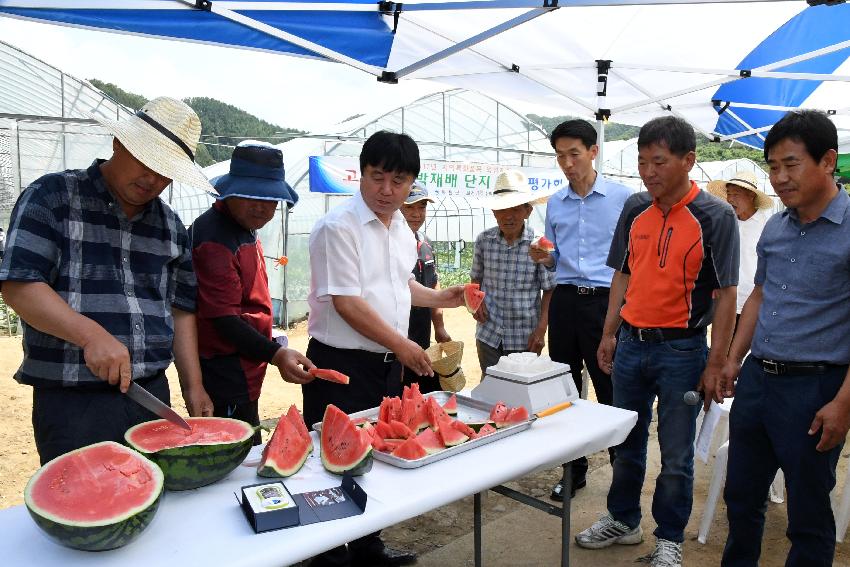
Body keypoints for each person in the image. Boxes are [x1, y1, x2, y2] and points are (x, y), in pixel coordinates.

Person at [0, 96, 215, 465]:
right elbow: (19, 285)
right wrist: (90, 334)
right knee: (85, 514)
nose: (152, 179)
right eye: (145, 161)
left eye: (165, 171)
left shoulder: (171, 227)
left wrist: (193, 386)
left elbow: (180, 311)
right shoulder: (52, 197)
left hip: (152, 394)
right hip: (74, 402)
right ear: (118, 143)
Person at [575, 116, 739, 567]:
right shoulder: (634, 208)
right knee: (626, 440)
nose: (649, 172)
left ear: (689, 161)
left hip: (683, 352)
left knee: (676, 453)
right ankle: (624, 520)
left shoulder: (715, 216)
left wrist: (716, 361)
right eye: (643, 162)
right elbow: (622, 274)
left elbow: (726, 296)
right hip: (630, 344)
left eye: (659, 162)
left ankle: (669, 540)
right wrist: (609, 334)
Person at [303, 130, 465, 567]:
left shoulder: (400, 230)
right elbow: (347, 301)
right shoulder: (338, 228)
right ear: (361, 173)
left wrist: (442, 297)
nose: (387, 191)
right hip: (340, 363)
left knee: (375, 453)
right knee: (331, 460)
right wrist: (404, 343)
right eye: (378, 178)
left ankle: (368, 546)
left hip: (384, 365)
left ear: (412, 182)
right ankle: (326, 553)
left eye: (399, 181)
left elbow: (398, 287)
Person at [720, 110, 850, 567]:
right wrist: (734, 359)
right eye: (773, 166)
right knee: (740, 498)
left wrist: (844, 402)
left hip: (816, 389)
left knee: (808, 515)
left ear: (828, 161)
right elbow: (759, 294)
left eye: (791, 164)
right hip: (758, 379)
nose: (779, 177)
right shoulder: (775, 225)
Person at [529, 119, 632, 502]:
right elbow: (555, 262)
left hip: (607, 302)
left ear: (593, 151)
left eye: (574, 153)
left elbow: (631, 260)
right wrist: (544, 257)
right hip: (567, 300)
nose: (567, 163)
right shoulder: (556, 203)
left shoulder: (623, 198)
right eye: (560, 156)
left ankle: (623, 471)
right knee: (565, 390)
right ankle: (575, 470)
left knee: (610, 387)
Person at [190, 141, 314, 445]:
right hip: (225, 368)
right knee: (236, 449)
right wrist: (276, 352)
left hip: (245, 363)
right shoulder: (215, 239)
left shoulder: (242, 227)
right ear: (230, 192)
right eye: (250, 196)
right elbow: (223, 319)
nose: (261, 206)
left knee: (247, 439)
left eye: (270, 199)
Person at [472, 169, 555, 374]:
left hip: (524, 337)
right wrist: (475, 301)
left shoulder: (538, 244)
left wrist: (541, 330)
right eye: (502, 209)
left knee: (521, 393)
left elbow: (550, 289)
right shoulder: (484, 241)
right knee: (491, 387)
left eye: (516, 208)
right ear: (493, 211)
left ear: (528, 211)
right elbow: (476, 277)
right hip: (489, 334)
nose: (508, 216)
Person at [399, 181, 451, 393]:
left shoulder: (425, 244)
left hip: (422, 333)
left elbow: (433, 284)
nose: (416, 214)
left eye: (421, 207)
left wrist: (439, 326)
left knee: (422, 390)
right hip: (396, 337)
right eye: (409, 207)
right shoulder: (388, 244)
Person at [707, 170, 773, 329]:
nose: (730, 199)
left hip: (752, 301)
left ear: (751, 196)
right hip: (724, 299)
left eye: (736, 194)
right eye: (729, 194)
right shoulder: (724, 222)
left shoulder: (766, 226)